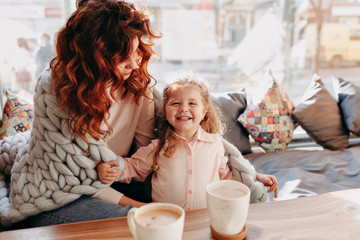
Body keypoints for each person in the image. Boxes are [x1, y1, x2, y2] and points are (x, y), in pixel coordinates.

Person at [0, 0, 161, 227]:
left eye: (136, 52)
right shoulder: (56, 89)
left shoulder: (139, 88)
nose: (134, 64)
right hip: (53, 192)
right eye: (124, 57)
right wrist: (138, 206)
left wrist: (119, 173)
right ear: (98, 58)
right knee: (133, 222)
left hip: (110, 183)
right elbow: (70, 173)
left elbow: (142, 155)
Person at [97, 72, 279, 210]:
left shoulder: (214, 144)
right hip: (168, 219)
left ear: (204, 110)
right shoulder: (157, 147)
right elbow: (132, 167)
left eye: (192, 103)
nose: (184, 108)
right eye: (175, 103)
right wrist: (110, 169)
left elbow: (227, 175)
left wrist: (255, 179)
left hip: (207, 217)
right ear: (165, 110)